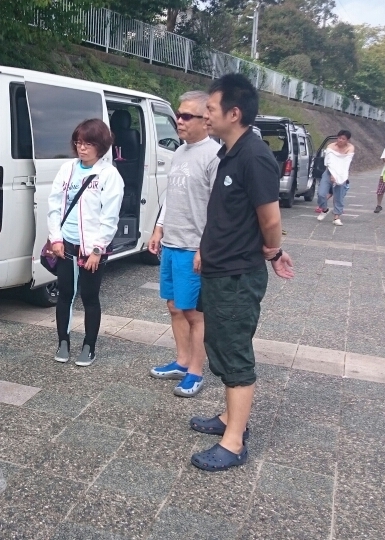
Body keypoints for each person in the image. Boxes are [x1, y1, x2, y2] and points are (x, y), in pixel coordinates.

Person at [189, 74, 294, 472]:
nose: (205, 115)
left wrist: (274, 250)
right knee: (220, 345)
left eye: (211, 109)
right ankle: (230, 418)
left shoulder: (254, 157)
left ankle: (234, 443)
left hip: (236, 275)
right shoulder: (229, 152)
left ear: (234, 113)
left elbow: (270, 219)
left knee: (235, 354)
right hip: (218, 269)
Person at [147, 91, 220, 398]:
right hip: (172, 242)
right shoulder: (179, 151)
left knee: (195, 313)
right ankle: (181, 360)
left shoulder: (214, 155)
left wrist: (206, 247)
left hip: (194, 246)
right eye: (179, 114)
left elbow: (220, 209)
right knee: (174, 306)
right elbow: (171, 196)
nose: (179, 120)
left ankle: (196, 372)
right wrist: (158, 228)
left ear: (207, 120)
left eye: (187, 116)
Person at [49, 119, 124, 367]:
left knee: (90, 297)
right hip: (66, 243)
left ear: (101, 146)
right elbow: (54, 205)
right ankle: (63, 341)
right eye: (79, 142)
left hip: (91, 247)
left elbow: (110, 216)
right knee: (65, 295)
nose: (82, 148)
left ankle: (89, 346)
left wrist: (97, 249)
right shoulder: (67, 169)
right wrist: (55, 238)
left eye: (88, 143)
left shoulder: (109, 175)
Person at [316, 130, 355, 226]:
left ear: (347, 140)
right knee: (321, 194)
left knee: (339, 196)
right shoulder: (330, 147)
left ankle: (337, 217)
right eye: (339, 138)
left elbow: (346, 163)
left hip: (342, 173)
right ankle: (324, 209)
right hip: (329, 172)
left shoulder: (350, 148)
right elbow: (329, 162)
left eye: (343, 139)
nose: (340, 140)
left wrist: (340, 177)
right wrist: (333, 174)